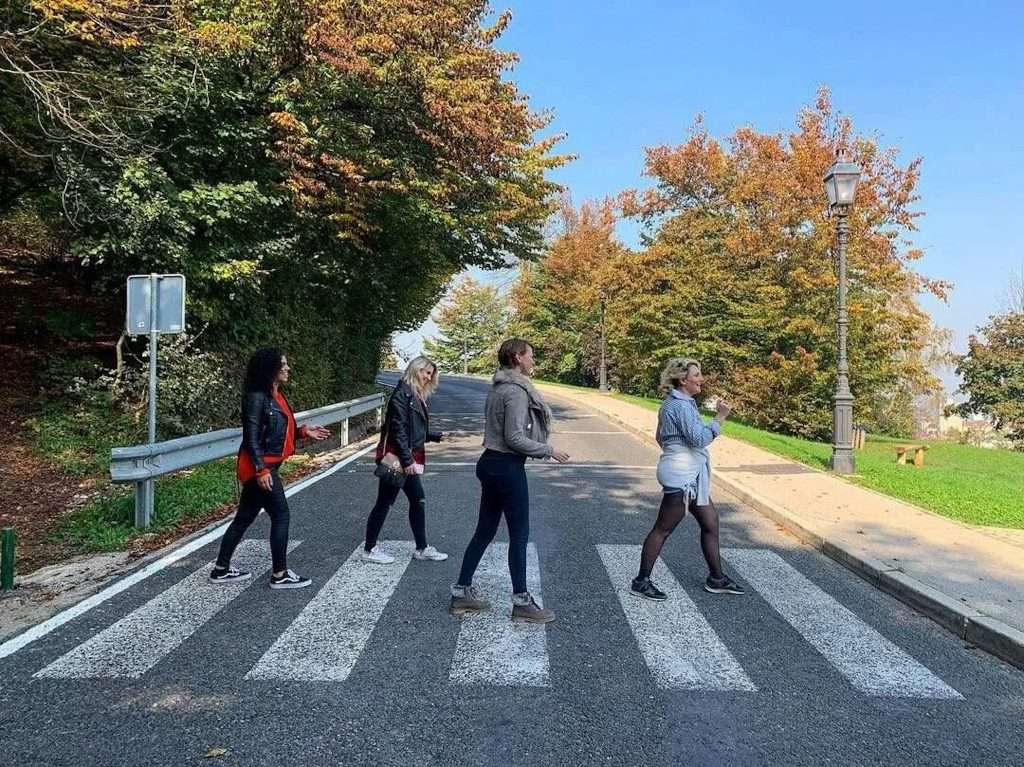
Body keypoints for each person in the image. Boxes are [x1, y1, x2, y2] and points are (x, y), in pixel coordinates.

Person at [449, 338, 570, 623]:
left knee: (485, 531)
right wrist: (548, 450)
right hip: (506, 467)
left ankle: (460, 592)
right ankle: (522, 602)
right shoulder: (516, 392)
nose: (533, 361)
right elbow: (514, 438)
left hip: (491, 464)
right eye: (531, 356)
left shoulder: (498, 387)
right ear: (517, 357)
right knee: (519, 535)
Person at [210, 348, 330, 589]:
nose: (287, 368)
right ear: (269, 368)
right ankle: (280, 574)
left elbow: (276, 431)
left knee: (244, 518)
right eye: (282, 364)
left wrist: (302, 432)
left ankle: (220, 569)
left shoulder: (276, 395)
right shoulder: (257, 397)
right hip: (260, 468)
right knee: (281, 515)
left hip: (265, 465)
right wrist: (261, 470)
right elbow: (252, 437)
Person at [631, 357, 745, 600]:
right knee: (663, 528)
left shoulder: (675, 403)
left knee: (710, 523)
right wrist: (719, 418)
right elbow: (699, 439)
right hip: (682, 473)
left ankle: (716, 578)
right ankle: (641, 581)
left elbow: (661, 437)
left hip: (686, 472)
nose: (701, 379)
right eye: (696, 375)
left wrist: (676, 453)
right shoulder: (681, 406)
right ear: (683, 380)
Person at [362, 356, 448, 564]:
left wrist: (433, 436)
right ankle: (370, 549)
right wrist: (407, 461)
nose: (427, 377)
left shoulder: (414, 394)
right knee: (387, 502)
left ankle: (421, 547)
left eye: (430, 374)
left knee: (416, 500)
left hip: (406, 455)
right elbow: (398, 431)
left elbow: (411, 430)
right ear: (414, 370)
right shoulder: (403, 394)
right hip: (398, 458)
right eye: (424, 372)